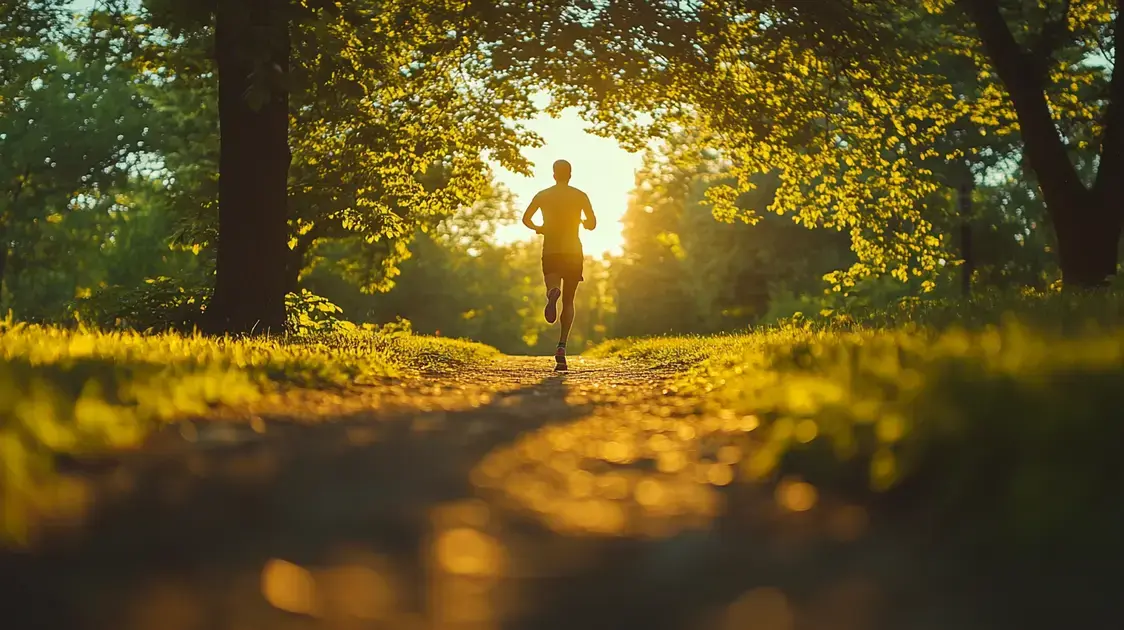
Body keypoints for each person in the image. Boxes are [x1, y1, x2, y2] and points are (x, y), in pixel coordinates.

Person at [521, 159, 596, 371]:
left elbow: (526, 218)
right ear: (570, 174)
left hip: (551, 250)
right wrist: (583, 223)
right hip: (573, 251)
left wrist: (540, 228)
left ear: (554, 175)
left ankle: (552, 292)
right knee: (569, 301)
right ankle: (562, 346)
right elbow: (592, 223)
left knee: (553, 287)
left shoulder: (543, 195)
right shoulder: (580, 195)